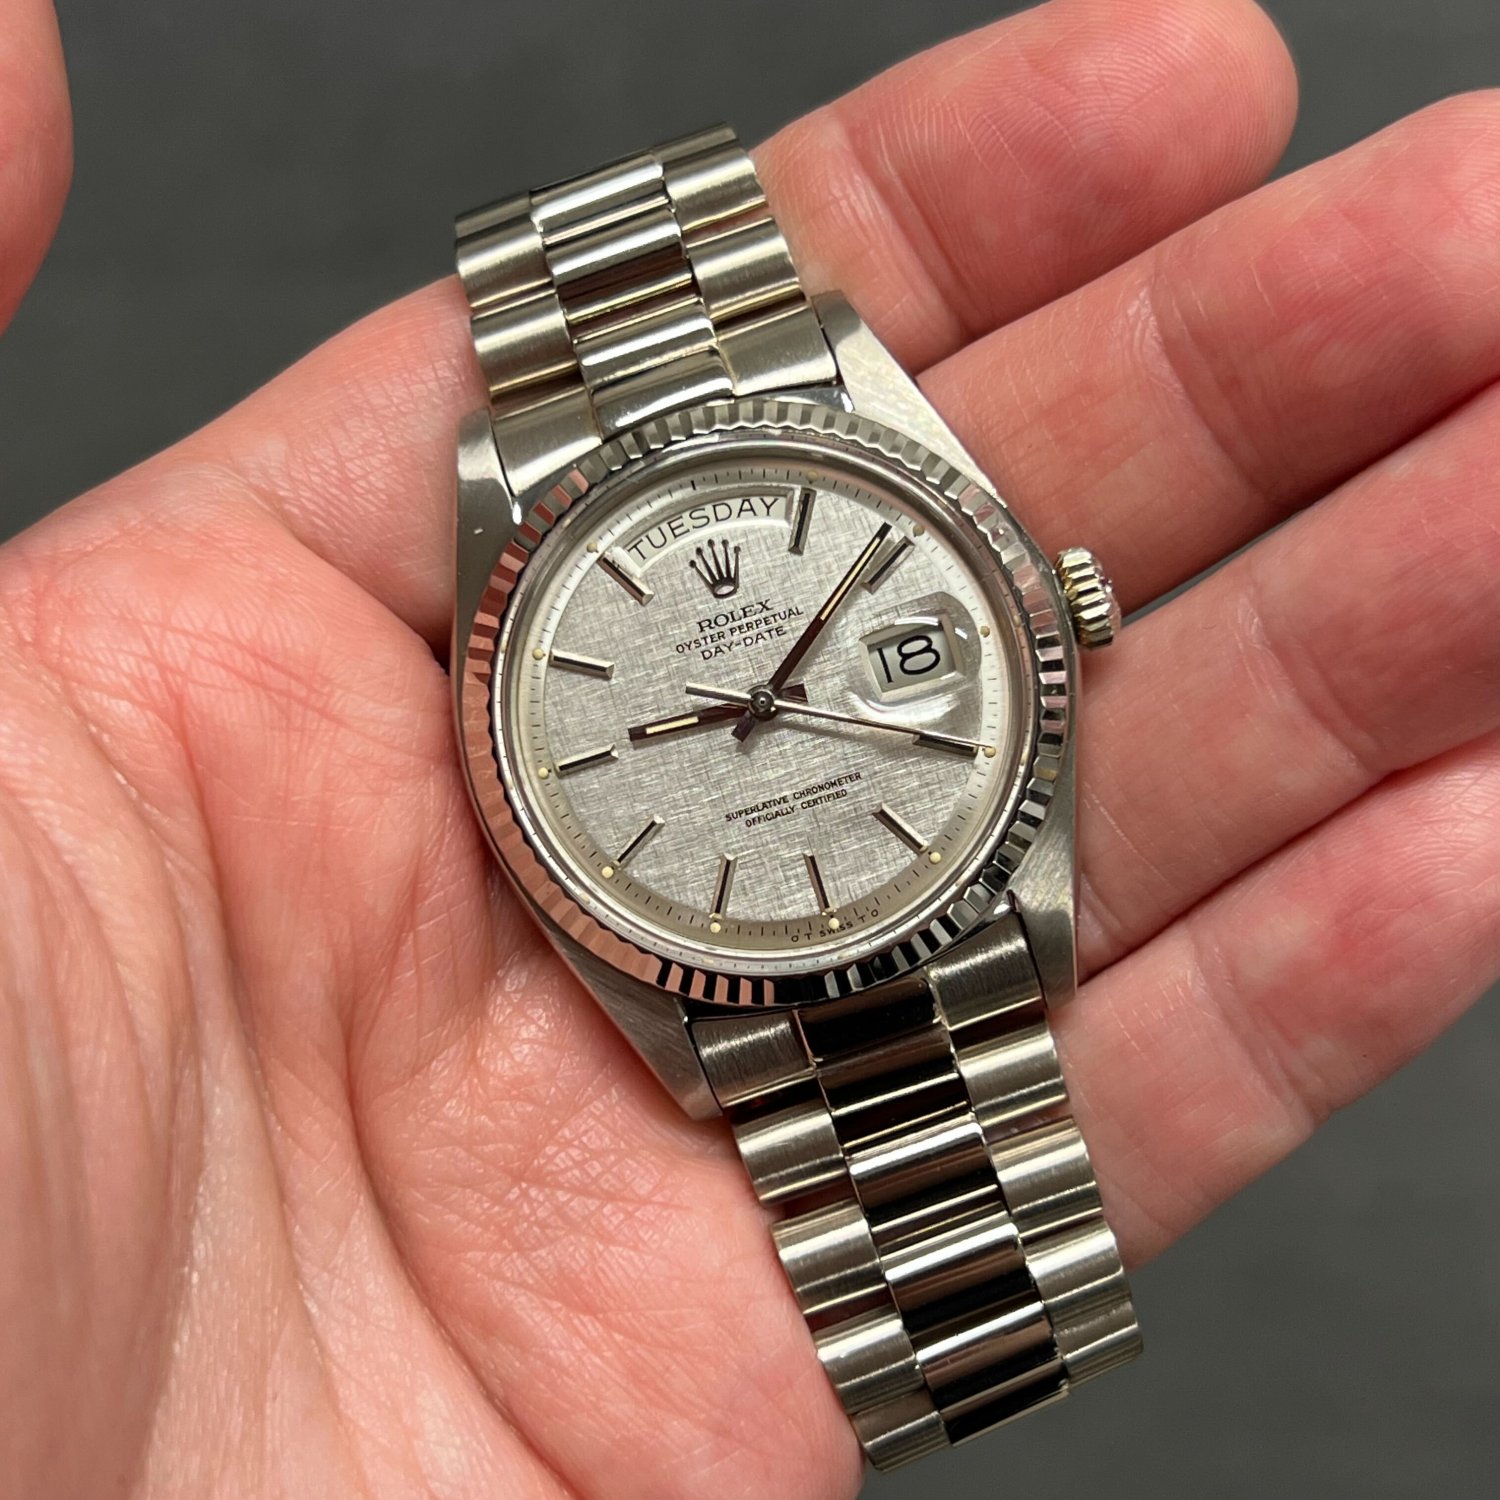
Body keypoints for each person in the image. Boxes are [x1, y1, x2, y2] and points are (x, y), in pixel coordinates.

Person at [1, 0, 1496, 1494]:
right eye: (739, 710)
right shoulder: (559, 514)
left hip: (889, 884)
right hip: (749, 937)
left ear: (1050, 611)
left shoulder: (836, 398)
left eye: (763, 699)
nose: (760, 711)